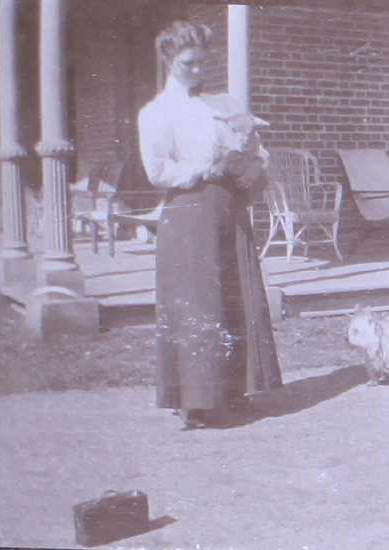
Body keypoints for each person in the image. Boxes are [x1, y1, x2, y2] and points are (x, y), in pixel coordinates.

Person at [137, 21, 282, 429]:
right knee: (197, 304)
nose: (198, 70)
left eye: (203, 62)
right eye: (189, 63)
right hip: (188, 212)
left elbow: (258, 153)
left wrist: (246, 156)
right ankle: (194, 403)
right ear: (167, 60)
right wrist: (205, 167)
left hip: (228, 208)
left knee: (234, 299)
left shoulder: (224, 103)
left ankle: (232, 393)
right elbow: (158, 170)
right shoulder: (157, 112)